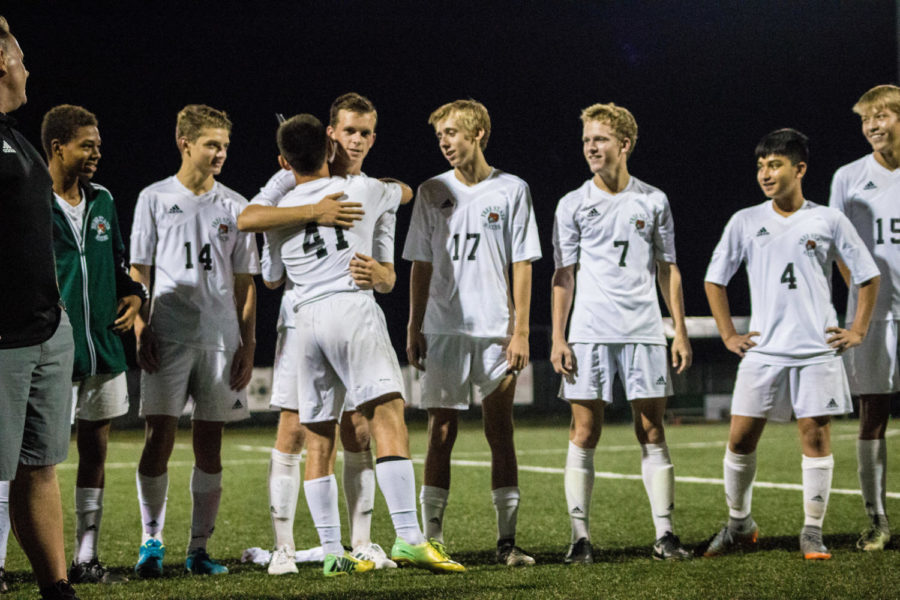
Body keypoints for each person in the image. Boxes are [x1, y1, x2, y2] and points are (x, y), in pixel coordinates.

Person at [263, 113, 463, 576]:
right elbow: (408, 192)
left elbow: (272, 275)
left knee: (319, 437)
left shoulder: (277, 211)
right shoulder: (365, 190)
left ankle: (335, 552)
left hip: (304, 320)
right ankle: (411, 539)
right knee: (388, 415)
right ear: (329, 143)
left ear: (284, 160)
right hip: (351, 307)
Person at [238, 93, 398, 573]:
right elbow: (249, 217)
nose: (357, 140)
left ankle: (359, 543)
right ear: (330, 137)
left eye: (365, 132)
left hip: (350, 314)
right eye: (348, 131)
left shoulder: (370, 189)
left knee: (359, 430)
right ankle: (285, 547)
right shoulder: (290, 177)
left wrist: (383, 277)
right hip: (301, 320)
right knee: (295, 431)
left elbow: (388, 274)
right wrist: (315, 212)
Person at [704, 128, 880, 560]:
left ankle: (812, 532)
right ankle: (739, 525)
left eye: (775, 164)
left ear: (799, 169)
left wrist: (857, 330)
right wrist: (728, 334)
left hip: (817, 350)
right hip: (762, 351)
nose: (765, 172)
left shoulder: (827, 219)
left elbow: (867, 274)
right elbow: (715, 279)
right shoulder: (745, 220)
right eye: (761, 165)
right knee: (740, 439)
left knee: (816, 439)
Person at [550, 102, 693, 563]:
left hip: (645, 331)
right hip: (589, 332)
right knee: (584, 430)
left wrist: (680, 331)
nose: (591, 147)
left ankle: (665, 535)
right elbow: (563, 275)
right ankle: (580, 539)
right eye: (587, 140)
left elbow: (667, 268)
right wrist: (558, 336)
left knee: (652, 429)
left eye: (600, 139)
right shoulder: (572, 203)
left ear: (624, 145)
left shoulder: (653, 200)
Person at [403, 99, 541, 566]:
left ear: (478, 132)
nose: (444, 142)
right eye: (439, 135)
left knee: (500, 431)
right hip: (443, 331)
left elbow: (522, 264)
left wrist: (520, 329)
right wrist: (414, 324)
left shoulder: (513, 189)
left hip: (495, 332)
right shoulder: (430, 191)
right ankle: (433, 540)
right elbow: (420, 264)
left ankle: (507, 542)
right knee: (440, 432)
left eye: (452, 133)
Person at [129, 104, 259, 577]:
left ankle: (198, 549)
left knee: (210, 445)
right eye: (212, 144)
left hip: (220, 342)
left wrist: (248, 344)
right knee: (157, 438)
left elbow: (246, 284)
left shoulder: (238, 206)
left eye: (225, 145)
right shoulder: (154, 198)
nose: (221, 153)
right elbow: (138, 272)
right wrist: (142, 327)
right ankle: (151, 542)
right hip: (168, 335)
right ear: (185, 143)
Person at [41, 104, 145, 585]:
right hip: (48, 351)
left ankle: (86, 558)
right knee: (29, 461)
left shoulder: (102, 199)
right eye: (88, 145)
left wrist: (134, 293)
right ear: (58, 147)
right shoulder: (30, 198)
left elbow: (117, 264)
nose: (97, 153)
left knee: (96, 451)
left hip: (104, 347)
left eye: (99, 145)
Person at [0, 16, 79, 600]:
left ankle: (57, 587)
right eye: (21, 57)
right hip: (2, 339)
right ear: (0, 62)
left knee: (41, 467)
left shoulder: (16, 135)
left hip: (46, 329)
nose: (27, 69)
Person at [829, 84, 900, 551]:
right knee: (872, 413)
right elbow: (839, 246)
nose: (872, 126)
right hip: (874, 318)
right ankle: (877, 520)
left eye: (881, 116)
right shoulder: (849, 177)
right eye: (865, 120)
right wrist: (861, 298)